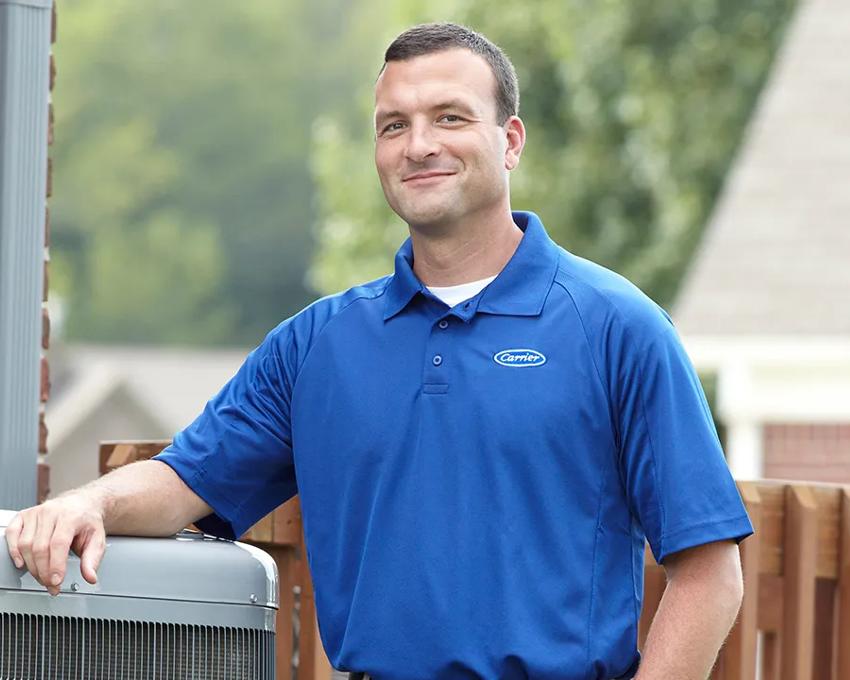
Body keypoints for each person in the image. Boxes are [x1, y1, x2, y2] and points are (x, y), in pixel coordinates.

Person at [5, 22, 753, 680]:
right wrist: (88, 501)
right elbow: (183, 481)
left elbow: (710, 570)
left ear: (511, 139)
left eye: (449, 118)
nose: (418, 144)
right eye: (393, 125)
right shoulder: (316, 345)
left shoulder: (618, 327)